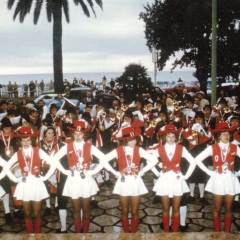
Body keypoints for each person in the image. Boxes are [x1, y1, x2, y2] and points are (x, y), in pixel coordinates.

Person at [101, 125, 158, 233]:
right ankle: (127, 234)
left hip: (136, 181)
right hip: (123, 181)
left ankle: (133, 234)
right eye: (131, 140)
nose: (133, 142)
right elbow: (103, 160)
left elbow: (154, 160)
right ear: (125, 140)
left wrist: (142, 171)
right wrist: (115, 173)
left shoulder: (139, 149)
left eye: (135, 139)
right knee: (124, 210)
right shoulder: (118, 150)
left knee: (135, 211)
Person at [53, 119, 105, 233]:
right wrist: (64, 171)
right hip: (73, 179)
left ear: (84, 134)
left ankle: (85, 233)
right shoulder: (67, 146)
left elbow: (104, 159)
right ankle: (77, 234)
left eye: (80, 134)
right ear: (72, 134)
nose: (77, 136)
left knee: (86, 208)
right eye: (75, 134)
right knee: (76, 209)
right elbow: (54, 159)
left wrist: (93, 171)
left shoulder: (89, 146)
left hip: (86, 179)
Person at [3, 126, 56, 233]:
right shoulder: (18, 153)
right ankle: (30, 235)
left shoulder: (38, 151)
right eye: (23, 140)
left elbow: (53, 163)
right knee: (27, 213)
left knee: (37, 214)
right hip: (24, 185)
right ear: (20, 141)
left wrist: (45, 177)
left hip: (37, 184)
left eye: (28, 140)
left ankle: (37, 235)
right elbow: (6, 167)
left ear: (31, 140)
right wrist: (15, 179)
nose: (26, 142)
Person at [149, 124, 196, 232]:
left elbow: (193, 162)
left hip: (177, 180)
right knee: (165, 208)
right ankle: (166, 232)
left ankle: (174, 233)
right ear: (164, 137)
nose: (170, 138)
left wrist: (186, 176)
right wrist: (157, 173)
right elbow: (149, 161)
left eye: (173, 136)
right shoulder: (160, 149)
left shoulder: (181, 148)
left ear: (176, 137)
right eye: (168, 136)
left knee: (176, 208)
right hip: (164, 180)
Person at [195, 122, 240, 232]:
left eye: (228, 134)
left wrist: (238, 173)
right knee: (217, 207)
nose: (226, 136)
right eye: (223, 134)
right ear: (218, 136)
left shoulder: (235, 147)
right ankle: (217, 233)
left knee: (229, 208)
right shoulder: (212, 147)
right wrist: (209, 173)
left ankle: (227, 233)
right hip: (218, 179)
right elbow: (197, 160)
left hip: (230, 179)